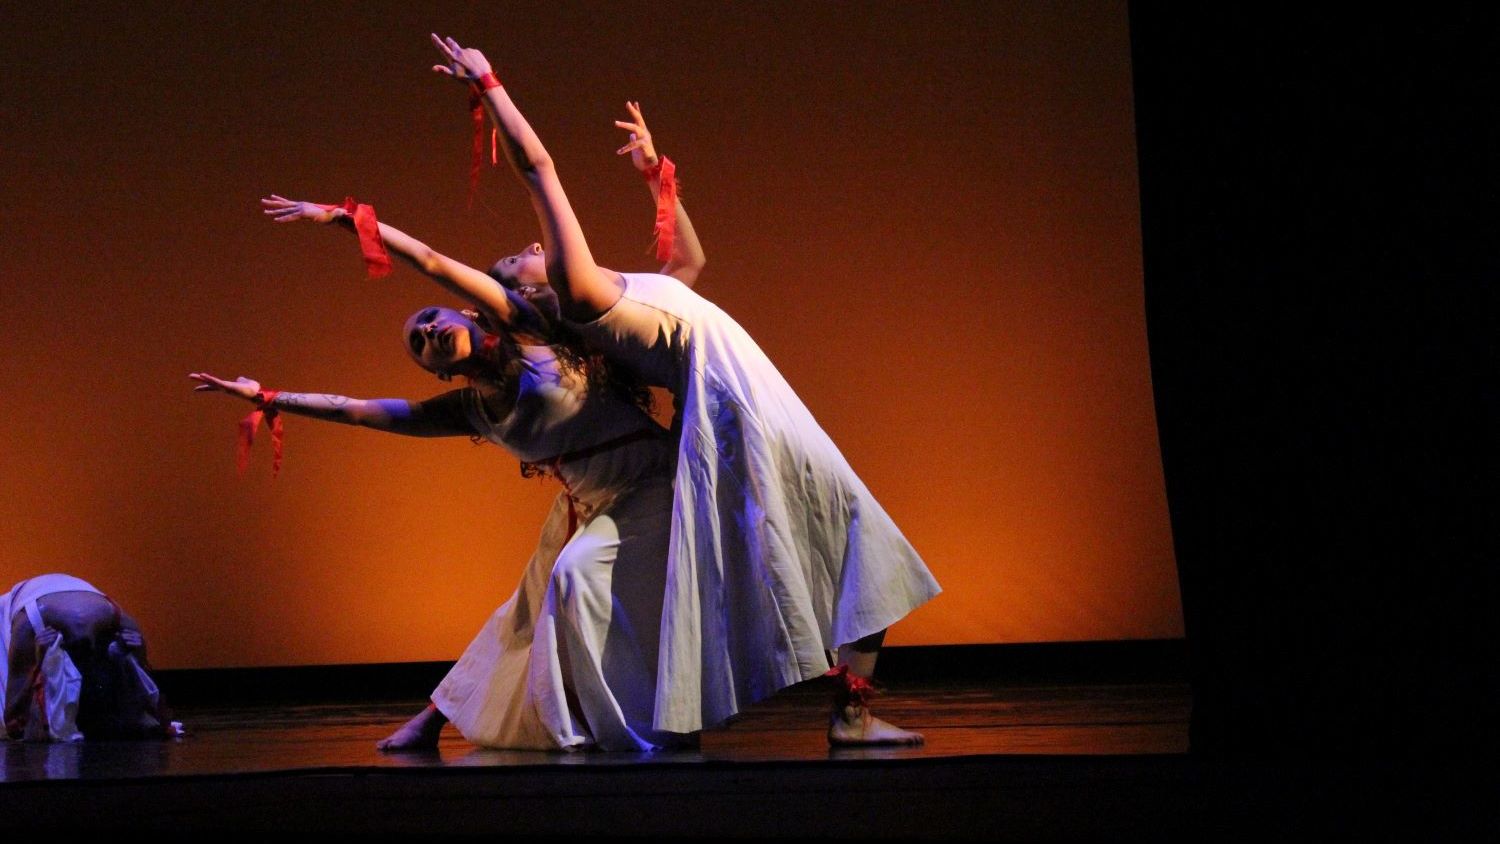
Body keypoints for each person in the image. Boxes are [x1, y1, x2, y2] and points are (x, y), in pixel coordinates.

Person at [428, 34, 941, 745]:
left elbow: (688, 261)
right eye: (517, 260)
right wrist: (490, 85)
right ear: (531, 293)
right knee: (855, 527)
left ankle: (848, 709)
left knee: (852, 531)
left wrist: (653, 176)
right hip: (740, 410)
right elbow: (538, 169)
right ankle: (847, 714)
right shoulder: (579, 298)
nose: (530, 248)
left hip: (750, 394)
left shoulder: (616, 299)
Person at [3, 574, 178, 740]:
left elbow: (148, 695)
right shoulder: (27, 625)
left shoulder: (123, 624)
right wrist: (38, 661)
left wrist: (129, 653)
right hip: (29, 605)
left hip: (89, 619)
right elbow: (13, 716)